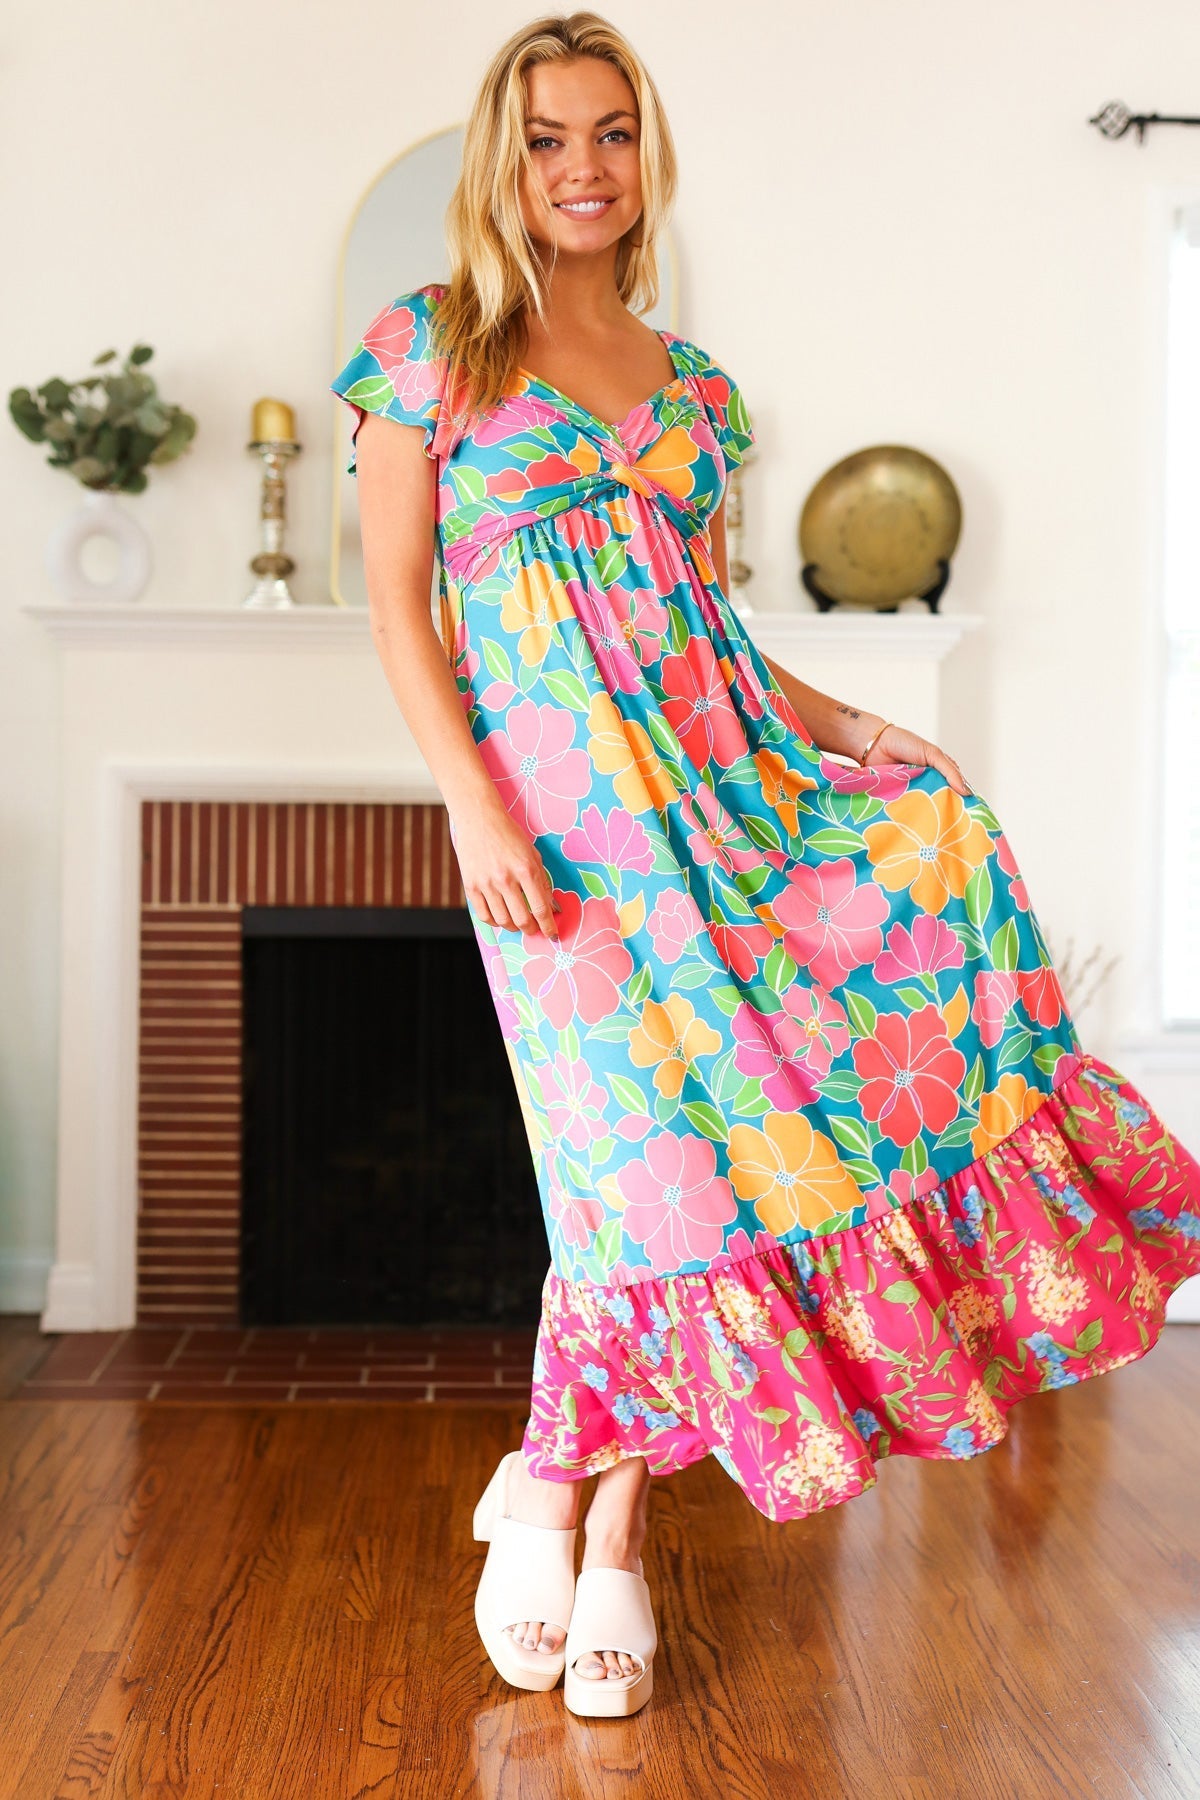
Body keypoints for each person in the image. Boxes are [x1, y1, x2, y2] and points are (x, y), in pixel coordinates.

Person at [331, 10, 1200, 1721]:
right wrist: (473, 809)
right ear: (503, 161)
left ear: (645, 156)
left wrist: (856, 729)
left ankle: (598, 1525)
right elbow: (398, 612)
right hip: (562, 842)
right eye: (546, 137)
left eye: (610, 133)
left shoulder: (696, 393)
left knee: (721, 1166)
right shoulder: (429, 349)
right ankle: (563, 1496)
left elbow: (709, 635)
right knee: (633, 1174)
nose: (582, 167)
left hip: (723, 807)